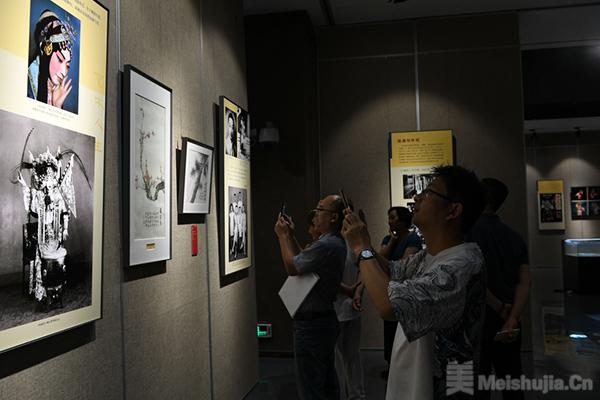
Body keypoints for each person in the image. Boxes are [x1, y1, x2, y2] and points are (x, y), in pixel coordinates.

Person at [342, 165, 486, 400]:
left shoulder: (461, 265)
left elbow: (388, 306)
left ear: (453, 210)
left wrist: (362, 250)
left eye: (429, 192)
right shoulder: (433, 254)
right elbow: (391, 270)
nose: (417, 197)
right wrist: (365, 242)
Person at [275, 194, 346, 400]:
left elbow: (293, 267)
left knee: (312, 388)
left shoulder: (327, 244)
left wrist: (281, 236)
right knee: (325, 382)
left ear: (333, 218)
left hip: (313, 324)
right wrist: (290, 235)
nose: (315, 214)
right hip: (322, 320)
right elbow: (302, 260)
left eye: (320, 209)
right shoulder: (329, 242)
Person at [467, 178, 531, 400]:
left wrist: (498, 306)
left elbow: (472, 278)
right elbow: (524, 281)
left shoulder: (467, 233)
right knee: (512, 383)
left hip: (478, 321)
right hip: (509, 323)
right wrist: (513, 317)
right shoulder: (514, 237)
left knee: (476, 387)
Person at [378, 206, 422, 376]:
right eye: (388, 218)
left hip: (404, 292)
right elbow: (379, 259)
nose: (389, 221)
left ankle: (402, 368)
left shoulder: (413, 239)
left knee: (401, 330)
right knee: (389, 330)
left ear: (403, 220)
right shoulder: (388, 239)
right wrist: (392, 242)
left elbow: (405, 267)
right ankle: (391, 366)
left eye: (393, 218)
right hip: (389, 290)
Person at [28, 10, 75, 110]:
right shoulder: (27, 81)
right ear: (45, 50)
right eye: (59, 59)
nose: (64, 72)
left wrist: (57, 106)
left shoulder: (55, 89)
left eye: (67, 65)